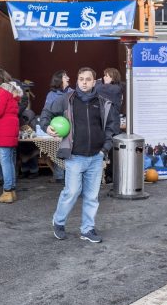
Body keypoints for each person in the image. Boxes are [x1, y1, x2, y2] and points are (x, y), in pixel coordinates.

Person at [41, 67, 118, 244]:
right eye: (81, 79)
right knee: (72, 192)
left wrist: (104, 149)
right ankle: (59, 222)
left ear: (94, 81)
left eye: (88, 79)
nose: (84, 82)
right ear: (77, 80)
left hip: (96, 156)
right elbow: (46, 113)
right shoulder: (66, 100)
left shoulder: (103, 102)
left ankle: (87, 229)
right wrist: (47, 127)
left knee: (92, 196)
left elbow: (111, 128)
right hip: (75, 156)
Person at [0, 68, 22, 203]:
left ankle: (7, 191)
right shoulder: (12, 91)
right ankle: (12, 190)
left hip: (4, 130)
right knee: (10, 161)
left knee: (5, 162)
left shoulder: (2, 91)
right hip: (11, 128)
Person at [41, 70, 73, 183]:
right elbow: (47, 111)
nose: (68, 78)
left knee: (70, 151)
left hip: (72, 129)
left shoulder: (72, 92)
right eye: (65, 76)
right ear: (59, 79)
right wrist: (47, 126)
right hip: (58, 127)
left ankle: (70, 175)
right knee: (57, 150)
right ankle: (59, 176)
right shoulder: (52, 95)